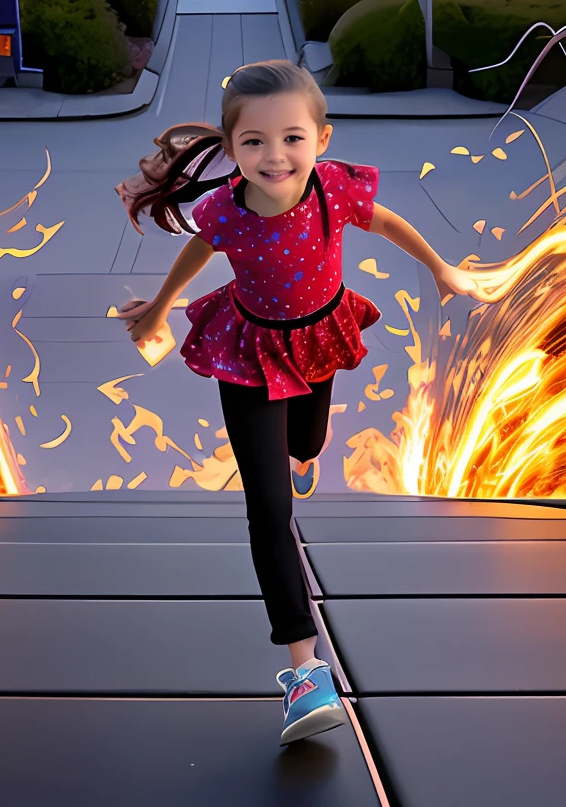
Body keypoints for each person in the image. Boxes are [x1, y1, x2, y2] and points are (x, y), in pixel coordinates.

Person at [114, 59, 478, 746]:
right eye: (253, 142)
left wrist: (440, 268)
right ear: (231, 150)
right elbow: (197, 255)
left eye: (292, 138)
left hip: (319, 335)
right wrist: (161, 307)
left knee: (307, 444)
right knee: (268, 511)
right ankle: (307, 672)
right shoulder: (224, 210)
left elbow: (389, 222)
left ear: (322, 140)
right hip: (248, 351)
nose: (274, 156)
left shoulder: (333, 193)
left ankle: (304, 455)